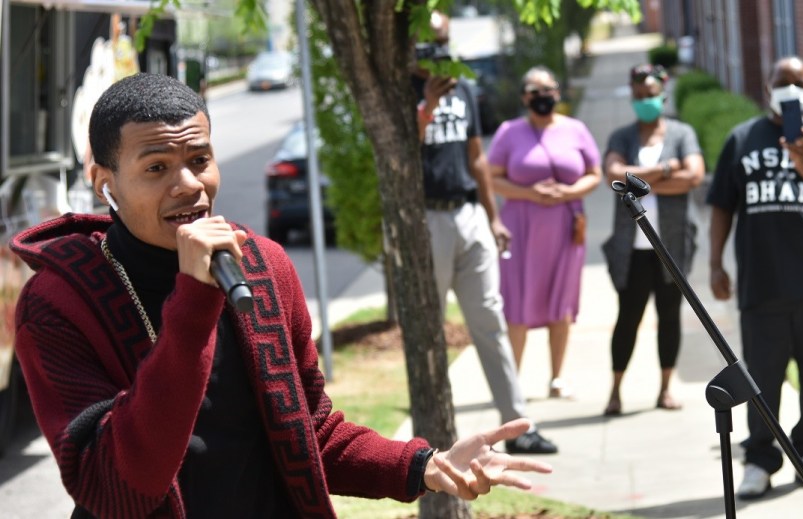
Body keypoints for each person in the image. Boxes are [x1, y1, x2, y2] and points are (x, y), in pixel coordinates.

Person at [11, 73, 553, 518]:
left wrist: (424, 466)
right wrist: (193, 303)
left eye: (199, 159)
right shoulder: (59, 303)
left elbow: (310, 431)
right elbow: (114, 489)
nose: (189, 185)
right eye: (156, 168)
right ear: (102, 180)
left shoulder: (263, 267)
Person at [706, 56, 803, 499]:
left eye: (798, 82)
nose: (790, 89)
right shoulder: (741, 139)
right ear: (767, 88)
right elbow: (721, 205)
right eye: (781, 82)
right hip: (763, 285)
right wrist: (715, 263)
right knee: (760, 380)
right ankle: (759, 460)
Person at [413, 13, 558, 455]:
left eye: (443, 40)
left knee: (491, 321)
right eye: (429, 42)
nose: (438, 50)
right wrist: (427, 105)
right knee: (430, 328)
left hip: (470, 215)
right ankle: (435, 439)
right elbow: (400, 149)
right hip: (428, 220)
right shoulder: (401, 91)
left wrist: (493, 217)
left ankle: (518, 428)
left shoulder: (463, 88)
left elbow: (477, 157)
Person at [487, 65, 602, 400]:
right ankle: (512, 385)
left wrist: (568, 192)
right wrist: (530, 193)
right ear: (524, 98)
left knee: (561, 302)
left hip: (566, 228)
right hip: (521, 230)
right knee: (517, 304)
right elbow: (491, 178)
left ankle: (557, 378)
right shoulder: (509, 132)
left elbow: (595, 174)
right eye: (535, 92)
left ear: (558, 93)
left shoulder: (576, 130)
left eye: (548, 90)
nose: (543, 97)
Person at [600, 64, 705, 416]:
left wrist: (638, 183)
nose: (646, 100)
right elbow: (613, 174)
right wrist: (666, 170)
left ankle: (665, 388)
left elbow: (694, 176)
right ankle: (615, 390)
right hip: (632, 249)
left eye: (651, 94)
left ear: (663, 93)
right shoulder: (622, 136)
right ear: (632, 96)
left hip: (671, 245)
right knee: (627, 318)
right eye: (639, 95)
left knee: (669, 316)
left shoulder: (682, 133)